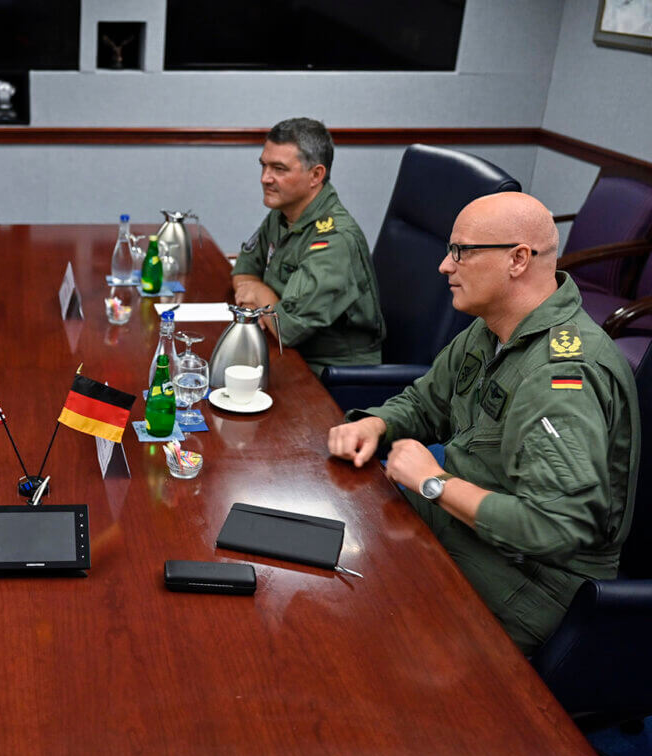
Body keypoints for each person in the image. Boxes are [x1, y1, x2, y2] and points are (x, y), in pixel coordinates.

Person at [328, 192, 639, 654]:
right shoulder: (494, 325)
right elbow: (427, 401)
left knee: (356, 637)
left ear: (517, 259)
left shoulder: (561, 377)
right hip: (467, 532)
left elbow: (556, 528)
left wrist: (434, 483)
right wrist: (376, 424)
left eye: (461, 251)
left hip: (526, 583)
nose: (444, 266)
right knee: (330, 563)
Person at [231, 117, 384, 374]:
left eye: (279, 169)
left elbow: (286, 329)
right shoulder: (284, 212)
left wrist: (260, 296)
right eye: (264, 166)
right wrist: (260, 296)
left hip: (333, 374)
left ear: (315, 175)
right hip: (286, 351)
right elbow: (243, 272)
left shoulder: (335, 240)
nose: (265, 178)